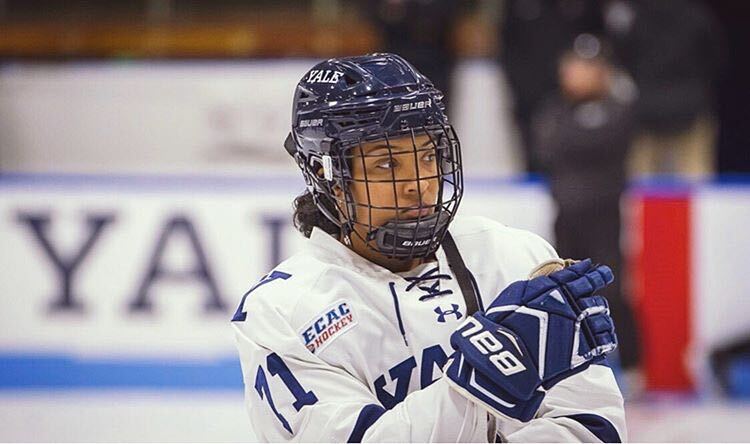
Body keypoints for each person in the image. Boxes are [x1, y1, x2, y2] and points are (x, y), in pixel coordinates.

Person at [232, 53, 625, 442]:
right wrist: (485, 374)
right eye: (387, 165)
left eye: (427, 155)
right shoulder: (281, 313)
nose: (418, 182)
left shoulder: (513, 256)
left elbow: (595, 428)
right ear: (326, 174)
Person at [531, 36, 641, 376]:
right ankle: (570, 366)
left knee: (611, 287)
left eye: (586, 67)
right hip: (566, 215)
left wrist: (577, 140)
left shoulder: (618, 108)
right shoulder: (553, 109)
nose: (576, 74)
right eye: (572, 66)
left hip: (604, 217)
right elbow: (545, 146)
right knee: (562, 290)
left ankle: (634, 366)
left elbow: (602, 140)